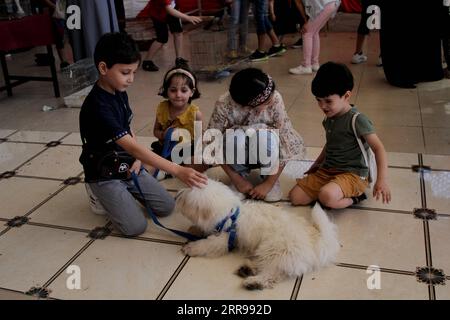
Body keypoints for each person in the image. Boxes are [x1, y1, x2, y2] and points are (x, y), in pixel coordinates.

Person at [79, 33, 207, 236]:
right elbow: (131, 146)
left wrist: (136, 160)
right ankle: (98, 192)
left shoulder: (119, 90)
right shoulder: (98, 108)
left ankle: (122, 192)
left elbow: (128, 129)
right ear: (103, 68)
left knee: (166, 207)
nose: (130, 79)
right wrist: (177, 170)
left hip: (126, 163)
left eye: (134, 73)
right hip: (103, 171)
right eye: (125, 72)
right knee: (135, 228)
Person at [289, 62, 391, 209]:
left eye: (328, 101)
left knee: (327, 196)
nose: (322, 106)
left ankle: (356, 197)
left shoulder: (357, 120)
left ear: (346, 95)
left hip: (353, 174)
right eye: (318, 100)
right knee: (295, 197)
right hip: (328, 171)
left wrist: (381, 180)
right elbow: (330, 144)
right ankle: (331, 191)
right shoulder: (330, 117)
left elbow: (379, 148)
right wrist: (316, 164)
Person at [208, 68, 305, 202]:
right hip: (238, 153)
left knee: (264, 137)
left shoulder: (274, 98)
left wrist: (268, 184)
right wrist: (237, 180)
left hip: (265, 148)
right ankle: (242, 175)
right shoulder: (224, 103)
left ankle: (269, 177)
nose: (271, 100)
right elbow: (212, 144)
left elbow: (285, 140)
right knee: (234, 138)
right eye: (266, 103)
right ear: (248, 106)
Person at [151, 66, 206, 178]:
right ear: (166, 91)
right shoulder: (162, 108)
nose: (178, 95)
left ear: (192, 92)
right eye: (173, 90)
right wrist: (163, 134)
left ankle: (170, 170)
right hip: (165, 148)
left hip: (187, 150)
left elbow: (199, 141)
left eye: (184, 90)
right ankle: (170, 169)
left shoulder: (195, 114)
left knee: (199, 164)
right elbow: (155, 131)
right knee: (147, 160)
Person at [142, 0, 202, 72]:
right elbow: (168, 10)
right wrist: (187, 17)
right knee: (162, 39)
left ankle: (179, 59)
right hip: (158, 14)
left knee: (178, 33)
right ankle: (147, 61)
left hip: (173, 9)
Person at [289, 0, 341, 75]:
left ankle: (306, 66)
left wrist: (305, 21)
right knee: (314, 32)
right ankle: (314, 64)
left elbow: (298, 3)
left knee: (307, 33)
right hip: (331, 3)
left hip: (323, 6)